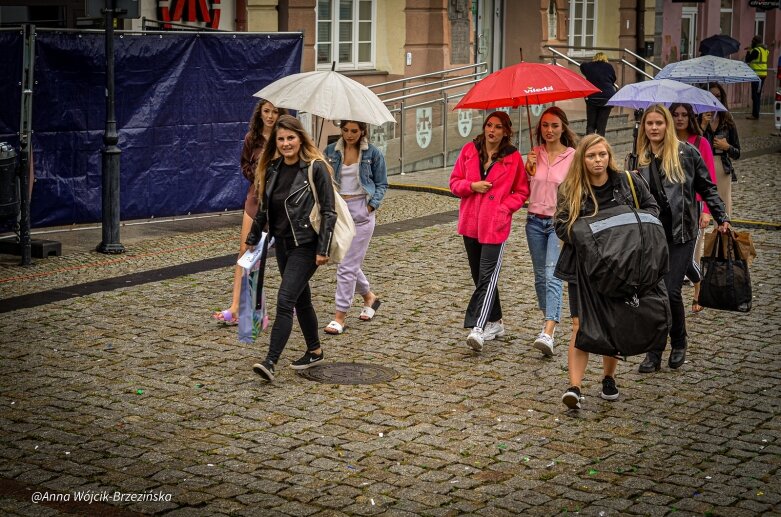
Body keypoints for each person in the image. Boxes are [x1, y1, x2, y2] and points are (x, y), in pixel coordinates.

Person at [555, 134, 659, 409]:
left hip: (619, 266)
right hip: (582, 268)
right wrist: (590, 232)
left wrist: (623, 230)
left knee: (613, 322)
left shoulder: (627, 182)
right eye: (591, 156)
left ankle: (608, 378)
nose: (598, 160)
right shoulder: (570, 188)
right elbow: (560, 225)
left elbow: (651, 210)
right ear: (582, 159)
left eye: (602, 154)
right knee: (580, 326)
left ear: (609, 155)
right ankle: (574, 387)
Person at [635, 105, 730, 373]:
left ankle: (672, 344)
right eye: (649, 123)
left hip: (682, 232)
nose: (653, 128)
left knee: (670, 290)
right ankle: (658, 348)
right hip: (652, 235)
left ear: (667, 125)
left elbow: (707, 187)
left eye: (658, 123)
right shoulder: (640, 157)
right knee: (654, 292)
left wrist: (721, 216)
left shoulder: (687, 153)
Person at [246, 115, 337, 382]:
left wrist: (323, 248)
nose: (286, 143)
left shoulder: (315, 168)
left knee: (285, 301)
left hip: (306, 245)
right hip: (283, 244)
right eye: (281, 139)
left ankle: (270, 361)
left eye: (291, 138)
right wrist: (253, 237)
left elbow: (329, 211)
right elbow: (264, 207)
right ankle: (315, 350)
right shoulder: (272, 168)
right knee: (301, 298)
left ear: (300, 138)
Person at [449, 111, 530, 352]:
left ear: (506, 131)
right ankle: (496, 322)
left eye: (497, 127)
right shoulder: (469, 150)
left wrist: (504, 209)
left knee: (487, 277)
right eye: (488, 125)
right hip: (471, 223)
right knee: (479, 276)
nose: (491, 130)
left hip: (495, 225)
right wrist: (471, 186)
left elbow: (522, 192)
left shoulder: (513, 157)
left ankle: (479, 326)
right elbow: (454, 183)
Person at [213, 99, 285, 324]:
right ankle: (236, 307)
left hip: (279, 200)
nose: (270, 116)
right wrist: (254, 174)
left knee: (286, 254)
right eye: (266, 111)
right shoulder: (251, 139)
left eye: (274, 112)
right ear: (260, 113)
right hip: (255, 197)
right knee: (245, 251)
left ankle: (289, 302)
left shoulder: (284, 138)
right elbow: (244, 163)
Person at [322, 120, 388, 335]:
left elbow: (382, 183)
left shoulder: (373, 154)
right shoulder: (331, 151)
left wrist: (370, 206)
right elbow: (323, 179)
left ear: (362, 131)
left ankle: (339, 316)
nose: (349, 135)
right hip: (339, 210)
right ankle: (370, 298)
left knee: (346, 267)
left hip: (361, 211)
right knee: (345, 261)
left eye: (354, 131)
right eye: (345, 130)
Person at [524, 107, 577, 356]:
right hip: (534, 221)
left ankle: (549, 330)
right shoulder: (535, 154)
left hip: (558, 222)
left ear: (563, 128)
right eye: (545, 125)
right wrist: (527, 171)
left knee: (552, 274)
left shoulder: (573, 156)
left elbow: (579, 190)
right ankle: (550, 318)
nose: (549, 130)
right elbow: (525, 190)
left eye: (554, 125)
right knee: (539, 277)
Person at [669, 103, 717, 314]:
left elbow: (709, 180)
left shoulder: (700, 142)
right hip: (669, 207)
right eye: (675, 115)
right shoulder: (666, 142)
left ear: (690, 117)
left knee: (685, 256)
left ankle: (698, 286)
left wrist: (706, 210)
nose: (680, 119)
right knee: (674, 254)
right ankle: (698, 281)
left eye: (684, 115)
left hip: (692, 206)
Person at [700, 83, 741, 214]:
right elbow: (692, 145)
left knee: (723, 207)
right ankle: (699, 235)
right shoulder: (697, 117)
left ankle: (723, 234)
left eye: (718, 96)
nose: (715, 98)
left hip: (722, 167)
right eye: (711, 95)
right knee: (701, 206)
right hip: (702, 165)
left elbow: (737, 153)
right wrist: (702, 125)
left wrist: (727, 147)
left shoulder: (727, 119)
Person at [579, 52, 617, 136]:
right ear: (605, 59)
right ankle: (600, 146)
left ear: (594, 58)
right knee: (601, 126)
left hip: (592, 96)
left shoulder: (589, 66)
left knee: (590, 125)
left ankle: (589, 144)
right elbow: (613, 79)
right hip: (607, 97)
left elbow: (582, 66)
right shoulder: (609, 66)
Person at [744, 35, 769, 120]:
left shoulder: (756, 50)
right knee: (757, 95)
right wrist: (751, 49)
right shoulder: (764, 50)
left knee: (755, 95)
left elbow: (748, 59)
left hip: (757, 75)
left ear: (755, 42)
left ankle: (755, 115)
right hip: (763, 75)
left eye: (752, 41)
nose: (751, 42)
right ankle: (756, 113)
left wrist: (748, 51)